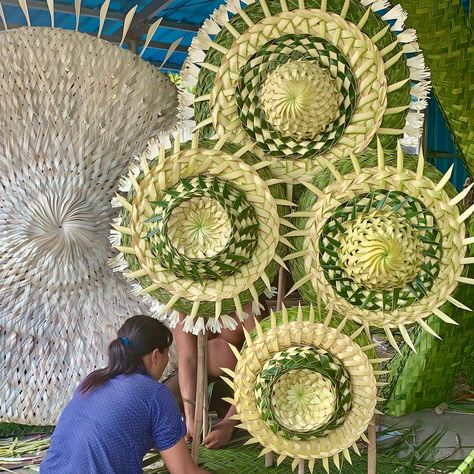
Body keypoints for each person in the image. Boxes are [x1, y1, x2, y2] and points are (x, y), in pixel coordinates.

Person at [40, 315, 208, 474]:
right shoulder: (156, 394)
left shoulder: (93, 380)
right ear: (156, 355)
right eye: (167, 354)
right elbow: (184, 471)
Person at [167, 299, 268, 449]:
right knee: (166, 399)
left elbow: (256, 367)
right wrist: (190, 417)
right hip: (199, 382)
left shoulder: (250, 304)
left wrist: (229, 423)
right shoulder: (185, 305)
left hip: (242, 388)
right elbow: (188, 360)